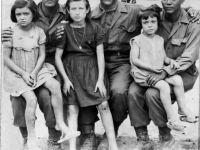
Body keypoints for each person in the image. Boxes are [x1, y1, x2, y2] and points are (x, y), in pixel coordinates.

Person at [55, 0, 200, 149]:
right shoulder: (89, 13)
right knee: (88, 87)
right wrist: (61, 27)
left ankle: (119, 131)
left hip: (124, 61)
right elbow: (67, 14)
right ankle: (90, 134)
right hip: (96, 61)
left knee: (119, 91)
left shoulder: (134, 10)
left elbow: (161, 9)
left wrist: (190, 9)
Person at [1, 0, 99, 150]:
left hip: (58, 61)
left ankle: (68, 136)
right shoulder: (28, 12)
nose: (22, 16)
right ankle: (27, 137)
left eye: (25, 14)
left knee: (62, 91)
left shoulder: (68, 10)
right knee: (21, 98)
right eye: (19, 14)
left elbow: (85, 23)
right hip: (25, 64)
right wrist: (5, 33)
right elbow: (8, 50)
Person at [128, 0, 200, 149]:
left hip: (181, 73)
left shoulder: (193, 22)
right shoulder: (153, 16)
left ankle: (166, 137)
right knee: (133, 92)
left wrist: (166, 71)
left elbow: (189, 56)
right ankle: (143, 139)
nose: (168, 1)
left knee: (153, 94)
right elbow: (133, 7)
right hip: (151, 71)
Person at [55, 0, 119, 150]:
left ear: (87, 9)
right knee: (72, 108)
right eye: (73, 9)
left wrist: (100, 80)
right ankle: (72, 146)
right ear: (68, 11)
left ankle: (113, 145)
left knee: (103, 104)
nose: (77, 12)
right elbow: (58, 57)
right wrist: (65, 79)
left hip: (92, 69)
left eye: (80, 8)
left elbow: (100, 55)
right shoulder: (64, 29)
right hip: (71, 70)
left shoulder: (96, 28)